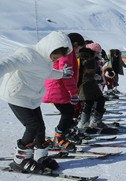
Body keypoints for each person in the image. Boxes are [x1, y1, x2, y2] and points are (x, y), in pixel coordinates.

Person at [0, 31, 74, 173]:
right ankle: (20, 160)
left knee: (40, 127)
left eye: (57, 58)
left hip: (32, 98)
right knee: (32, 126)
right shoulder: (28, 54)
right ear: (49, 47)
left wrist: (62, 74)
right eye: (55, 56)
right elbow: (8, 63)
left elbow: (47, 72)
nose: (55, 59)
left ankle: (41, 156)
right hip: (16, 95)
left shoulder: (46, 60)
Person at [42, 32, 85, 152]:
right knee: (68, 112)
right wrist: (73, 92)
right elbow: (67, 74)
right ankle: (59, 137)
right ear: (75, 44)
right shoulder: (67, 52)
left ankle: (63, 134)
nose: (77, 52)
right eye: (79, 49)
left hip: (58, 87)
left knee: (69, 112)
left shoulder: (66, 50)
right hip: (57, 88)